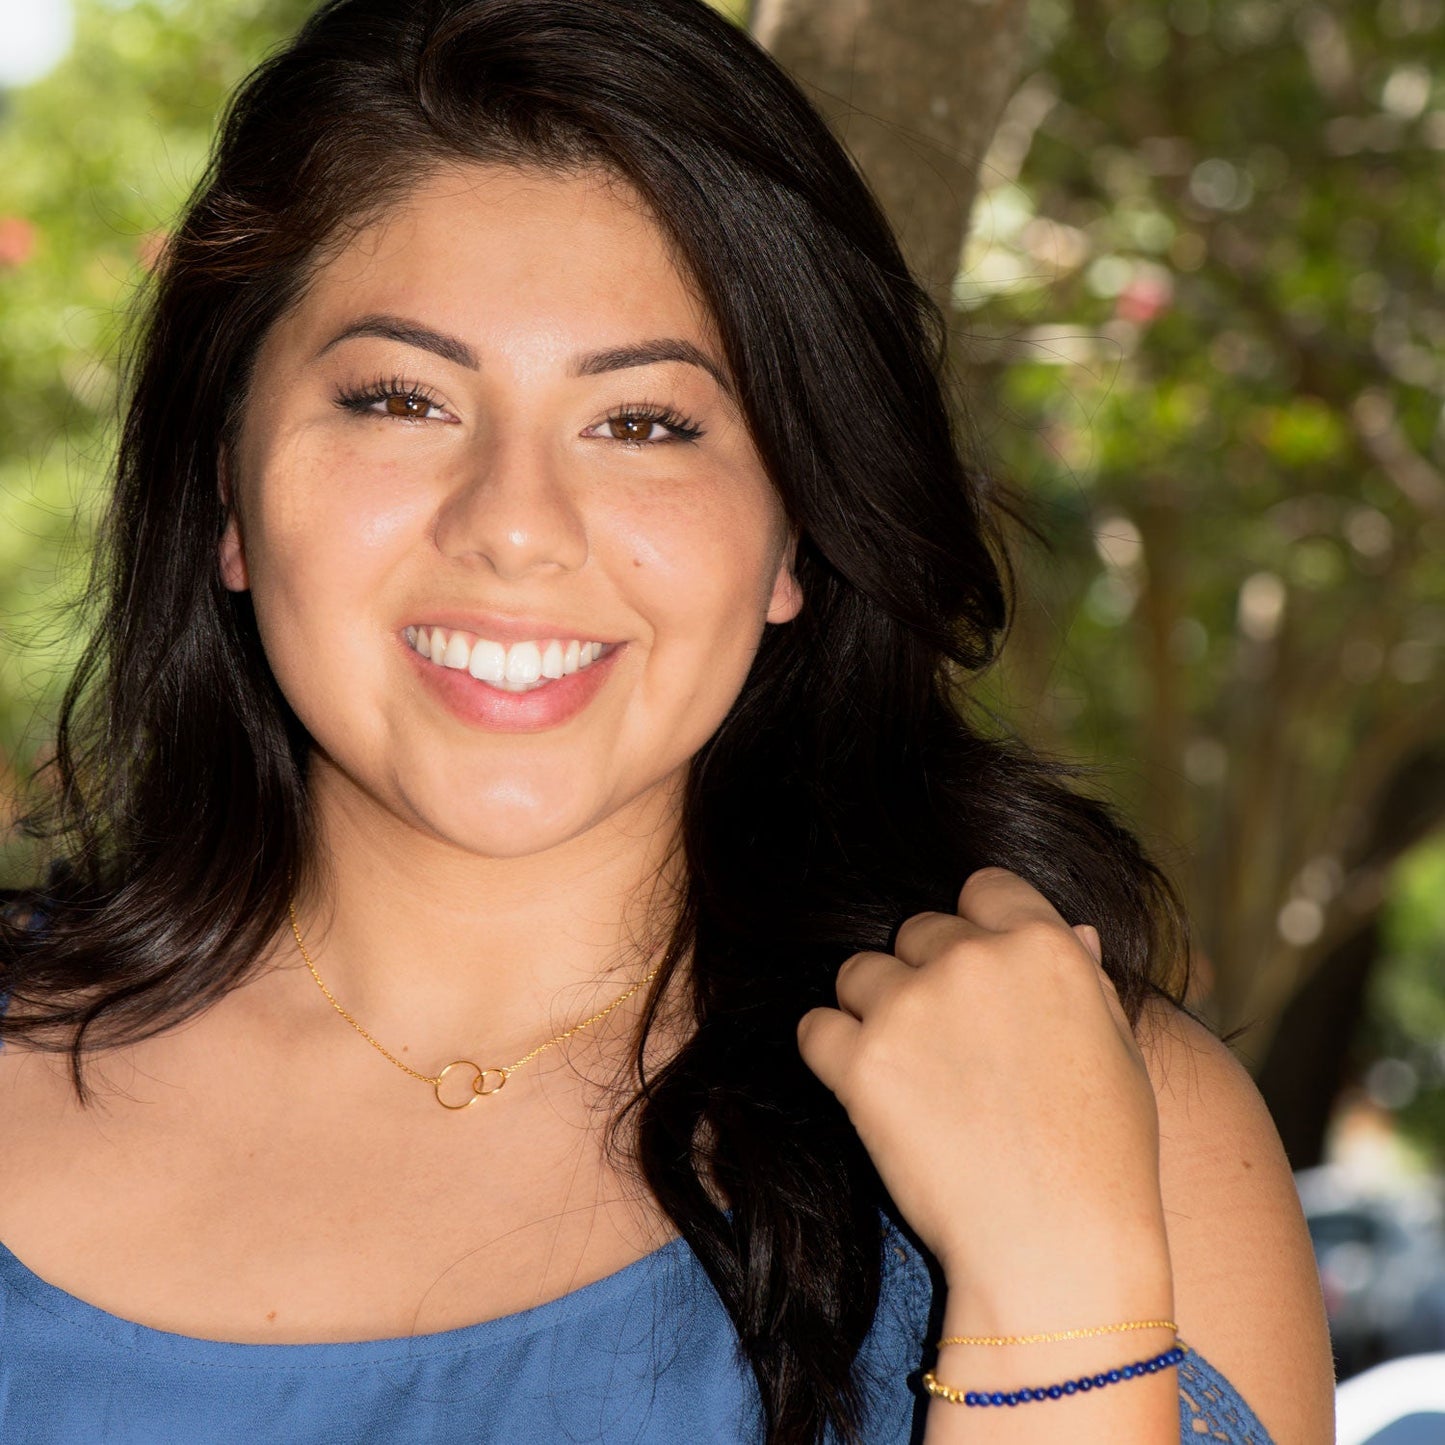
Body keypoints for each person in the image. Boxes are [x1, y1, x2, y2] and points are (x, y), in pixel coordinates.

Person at [0, 0, 1335, 1440]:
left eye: (644, 423)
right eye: (401, 399)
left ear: (793, 534)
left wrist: (1051, 1283)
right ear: (229, 494)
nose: (515, 527)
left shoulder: (1104, 1123)